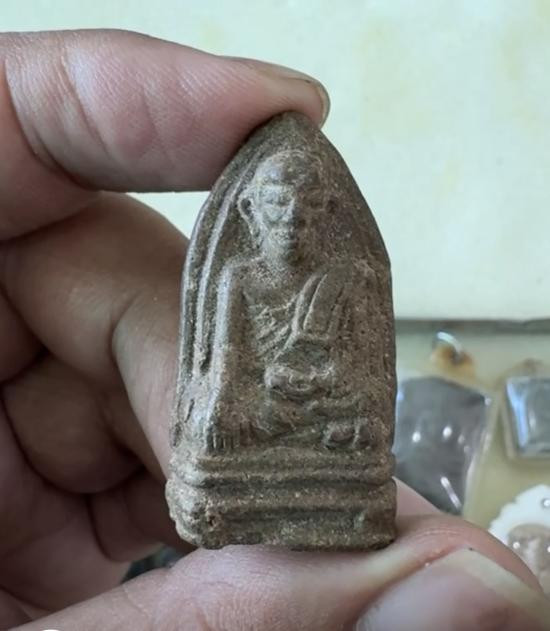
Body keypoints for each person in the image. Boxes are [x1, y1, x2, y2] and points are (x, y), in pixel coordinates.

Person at [0, 29, 548, 631]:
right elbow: (225, 371)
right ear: (250, 210)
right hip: (263, 412)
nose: (291, 221)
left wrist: (328, 387)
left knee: (358, 428)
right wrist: (234, 406)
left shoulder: (350, 279)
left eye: (306, 209)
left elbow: (368, 379)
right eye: (276, 206)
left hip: (324, 407)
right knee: (216, 429)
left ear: (326, 214)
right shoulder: (237, 278)